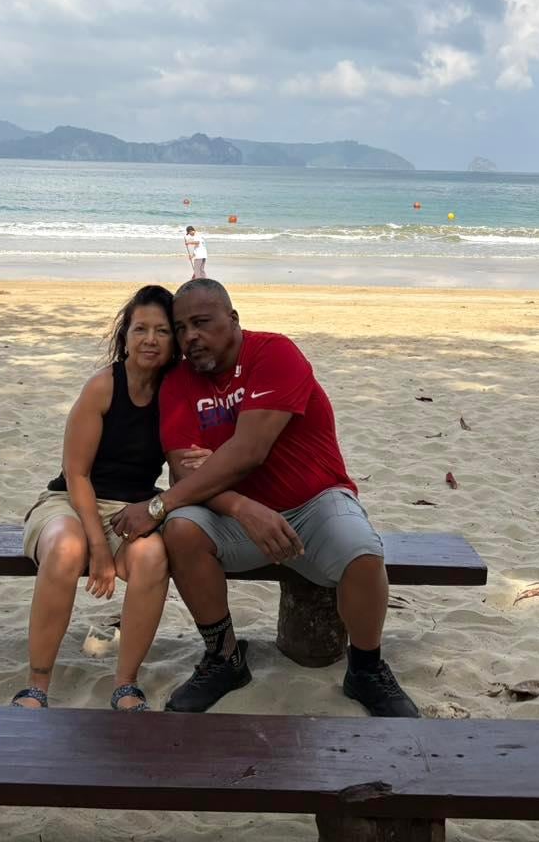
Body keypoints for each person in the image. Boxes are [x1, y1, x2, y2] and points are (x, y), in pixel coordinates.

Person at [111, 278, 418, 718]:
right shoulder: (178, 383)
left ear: (233, 319)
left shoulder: (274, 354)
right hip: (233, 516)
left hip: (314, 503)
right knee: (181, 531)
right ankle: (224, 659)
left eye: (202, 323)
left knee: (363, 553)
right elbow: (183, 470)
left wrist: (198, 477)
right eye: (180, 328)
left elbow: (249, 450)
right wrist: (240, 505)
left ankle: (367, 669)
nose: (190, 336)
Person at [14, 285, 176, 712]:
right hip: (70, 501)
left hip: (131, 510)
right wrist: (99, 548)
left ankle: (125, 684)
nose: (150, 340)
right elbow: (77, 473)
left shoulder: (176, 393)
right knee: (68, 548)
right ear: (125, 336)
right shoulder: (103, 386)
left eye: (162, 331)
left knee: (153, 558)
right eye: (140, 329)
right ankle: (36, 685)